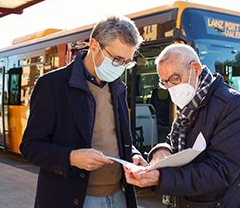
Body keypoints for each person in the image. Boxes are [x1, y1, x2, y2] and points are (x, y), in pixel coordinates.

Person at [20, 15, 147, 208]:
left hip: (119, 196)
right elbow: (30, 147)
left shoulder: (118, 87)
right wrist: (71, 157)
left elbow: (118, 137)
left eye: (127, 62)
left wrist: (133, 155)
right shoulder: (52, 85)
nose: (121, 68)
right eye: (117, 59)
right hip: (75, 198)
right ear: (94, 46)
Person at [124, 44, 240, 207]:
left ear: (195, 69)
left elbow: (220, 172)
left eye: (175, 78)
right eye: (164, 82)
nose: (170, 88)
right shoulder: (189, 100)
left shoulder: (234, 105)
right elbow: (174, 140)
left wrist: (160, 178)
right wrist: (162, 151)